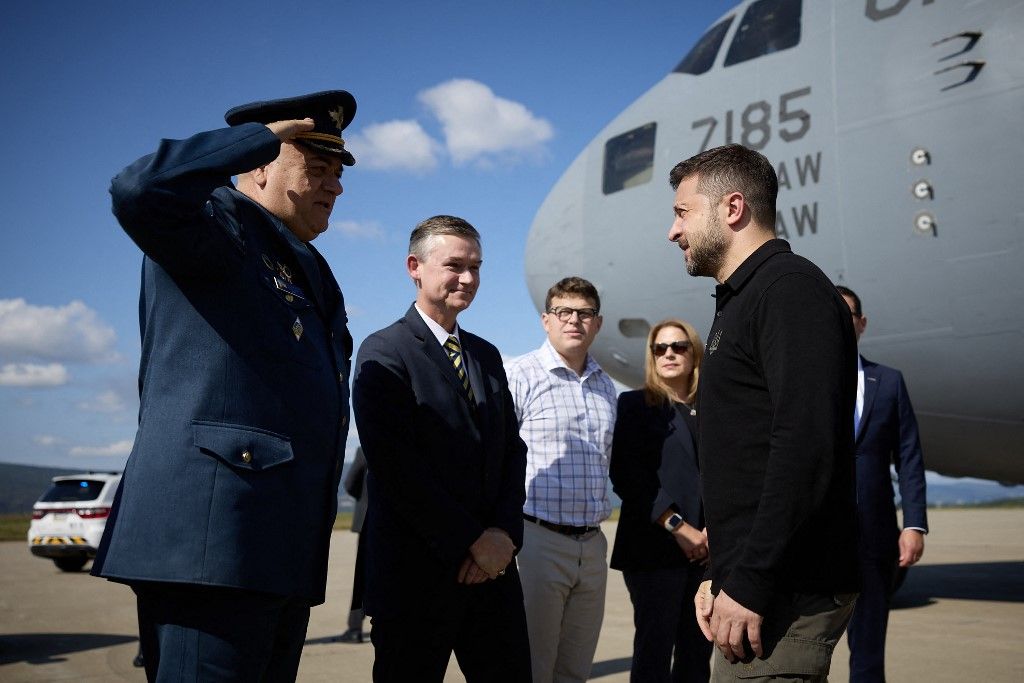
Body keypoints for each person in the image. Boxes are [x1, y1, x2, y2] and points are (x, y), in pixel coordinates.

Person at [91, 90, 358, 681]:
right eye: (316, 169)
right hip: (213, 546)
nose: (334, 187)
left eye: (338, 174)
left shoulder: (304, 263)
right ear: (258, 168)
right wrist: (260, 136)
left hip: (277, 548)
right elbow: (139, 189)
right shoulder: (215, 221)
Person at [666, 143, 860, 681]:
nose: (673, 231)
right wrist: (723, 574)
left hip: (784, 595)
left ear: (732, 209)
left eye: (683, 212)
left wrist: (749, 580)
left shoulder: (789, 291)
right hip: (757, 588)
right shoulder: (741, 298)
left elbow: (803, 447)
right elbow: (747, 458)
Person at [351, 215, 531, 682]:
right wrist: (472, 541)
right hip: (417, 578)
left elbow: (512, 451)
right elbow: (397, 469)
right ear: (415, 266)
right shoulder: (384, 352)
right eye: (454, 265)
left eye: (476, 266)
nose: (468, 278)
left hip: (493, 574)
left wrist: (505, 536)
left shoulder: (487, 356)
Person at [505, 276, 618, 683]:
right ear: (546, 320)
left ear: (597, 323)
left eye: (584, 313)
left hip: (592, 543)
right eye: (564, 312)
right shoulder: (518, 376)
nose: (574, 320)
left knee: (574, 669)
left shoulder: (607, 386)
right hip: (537, 539)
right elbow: (498, 458)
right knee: (531, 665)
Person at [610, 318, 713, 683]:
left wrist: (712, 533)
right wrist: (678, 527)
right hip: (654, 551)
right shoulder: (636, 405)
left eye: (679, 346)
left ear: (694, 353)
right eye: (660, 348)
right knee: (654, 653)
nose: (669, 354)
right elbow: (628, 476)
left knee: (698, 653)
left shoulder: (716, 410)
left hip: (708, 552)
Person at [837, 285, 928, 682]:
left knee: (869, 651)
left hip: (874, 537)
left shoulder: (888, 382)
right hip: (813, 534)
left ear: (862, 323)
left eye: (848, 314)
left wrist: (914, 524)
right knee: (801, 647)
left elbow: (909, 458)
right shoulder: (796, 384)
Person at [339, 446, 369, 644]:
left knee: (363, 577)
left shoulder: (365, 448)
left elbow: (350, 483)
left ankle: (355, 629)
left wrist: (364, 500)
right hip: (400, 523)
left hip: (368, 520)